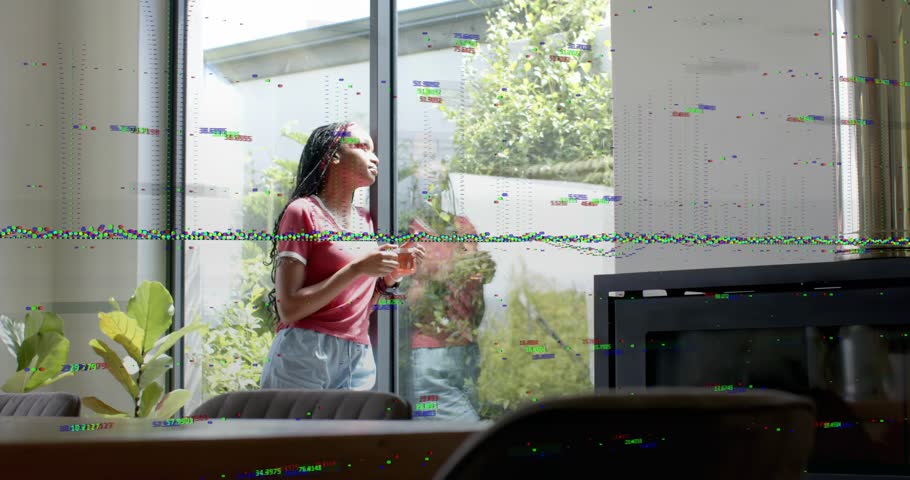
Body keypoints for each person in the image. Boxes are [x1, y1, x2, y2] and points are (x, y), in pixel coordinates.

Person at [260, 121, 426, 390]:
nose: (375, 158)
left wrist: (391, 275)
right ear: (333, 155)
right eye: (362, 147)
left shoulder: (365, 221)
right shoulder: (302, 212)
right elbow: (288, 309)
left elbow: (358, 303)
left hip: (358, 358)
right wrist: (357, 268)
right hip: (304, 354)